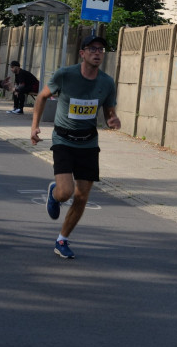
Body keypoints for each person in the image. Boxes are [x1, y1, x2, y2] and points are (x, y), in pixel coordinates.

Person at [31, 34, 120, 259]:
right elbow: (42, 97)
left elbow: (109, 111)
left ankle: (62, 239)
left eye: (101, 49)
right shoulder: (65, 75)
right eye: (92, 49)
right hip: (63, 139)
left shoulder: (107, 82)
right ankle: (54, 193)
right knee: (66, 192)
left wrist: (113, 119)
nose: (97, 53)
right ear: (82, 53)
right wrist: (35, 127)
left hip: (89, 142)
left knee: (82, 196)